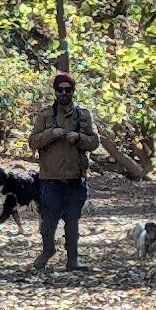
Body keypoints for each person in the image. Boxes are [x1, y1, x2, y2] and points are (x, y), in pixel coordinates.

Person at [28, 71, 100, 271]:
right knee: (48, 220)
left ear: (73, 91)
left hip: (75, 177)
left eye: (67, 90)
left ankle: (73, 259)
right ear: (55, 92)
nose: (63, 93)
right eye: (59, 90)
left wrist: (79, 138)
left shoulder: (84, 115)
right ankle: (48, 250)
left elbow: (95, 142)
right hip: (50, 178)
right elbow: (32, 142)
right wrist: (51, 134)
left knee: (72, 220)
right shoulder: (45, 115)